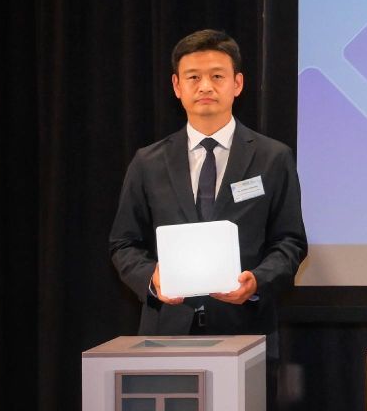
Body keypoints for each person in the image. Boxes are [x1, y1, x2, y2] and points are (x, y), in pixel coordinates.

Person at [109, 29, 308, 334]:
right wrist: (153, 277)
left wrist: (257, 280)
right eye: (193, 77)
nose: (205, 87)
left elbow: (290, 241)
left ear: (237, 84)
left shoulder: (273, 158)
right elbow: (123, 243)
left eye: (217, 76)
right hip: (167, 330)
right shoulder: (148, 162)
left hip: (245, 328)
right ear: (176, 85)